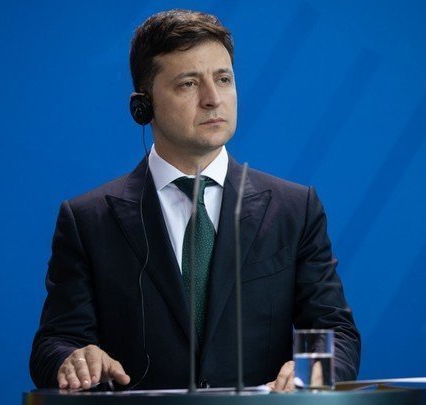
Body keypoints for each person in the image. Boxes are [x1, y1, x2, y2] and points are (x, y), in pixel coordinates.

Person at [30, 9, 360, 392]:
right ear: (143, 106)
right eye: (188, 84)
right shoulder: (88, 220)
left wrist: (317, 369)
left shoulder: (295, 209)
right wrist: (73, 359)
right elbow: (55, 343)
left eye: (223, 79)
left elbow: (335, 331)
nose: (213, 99)